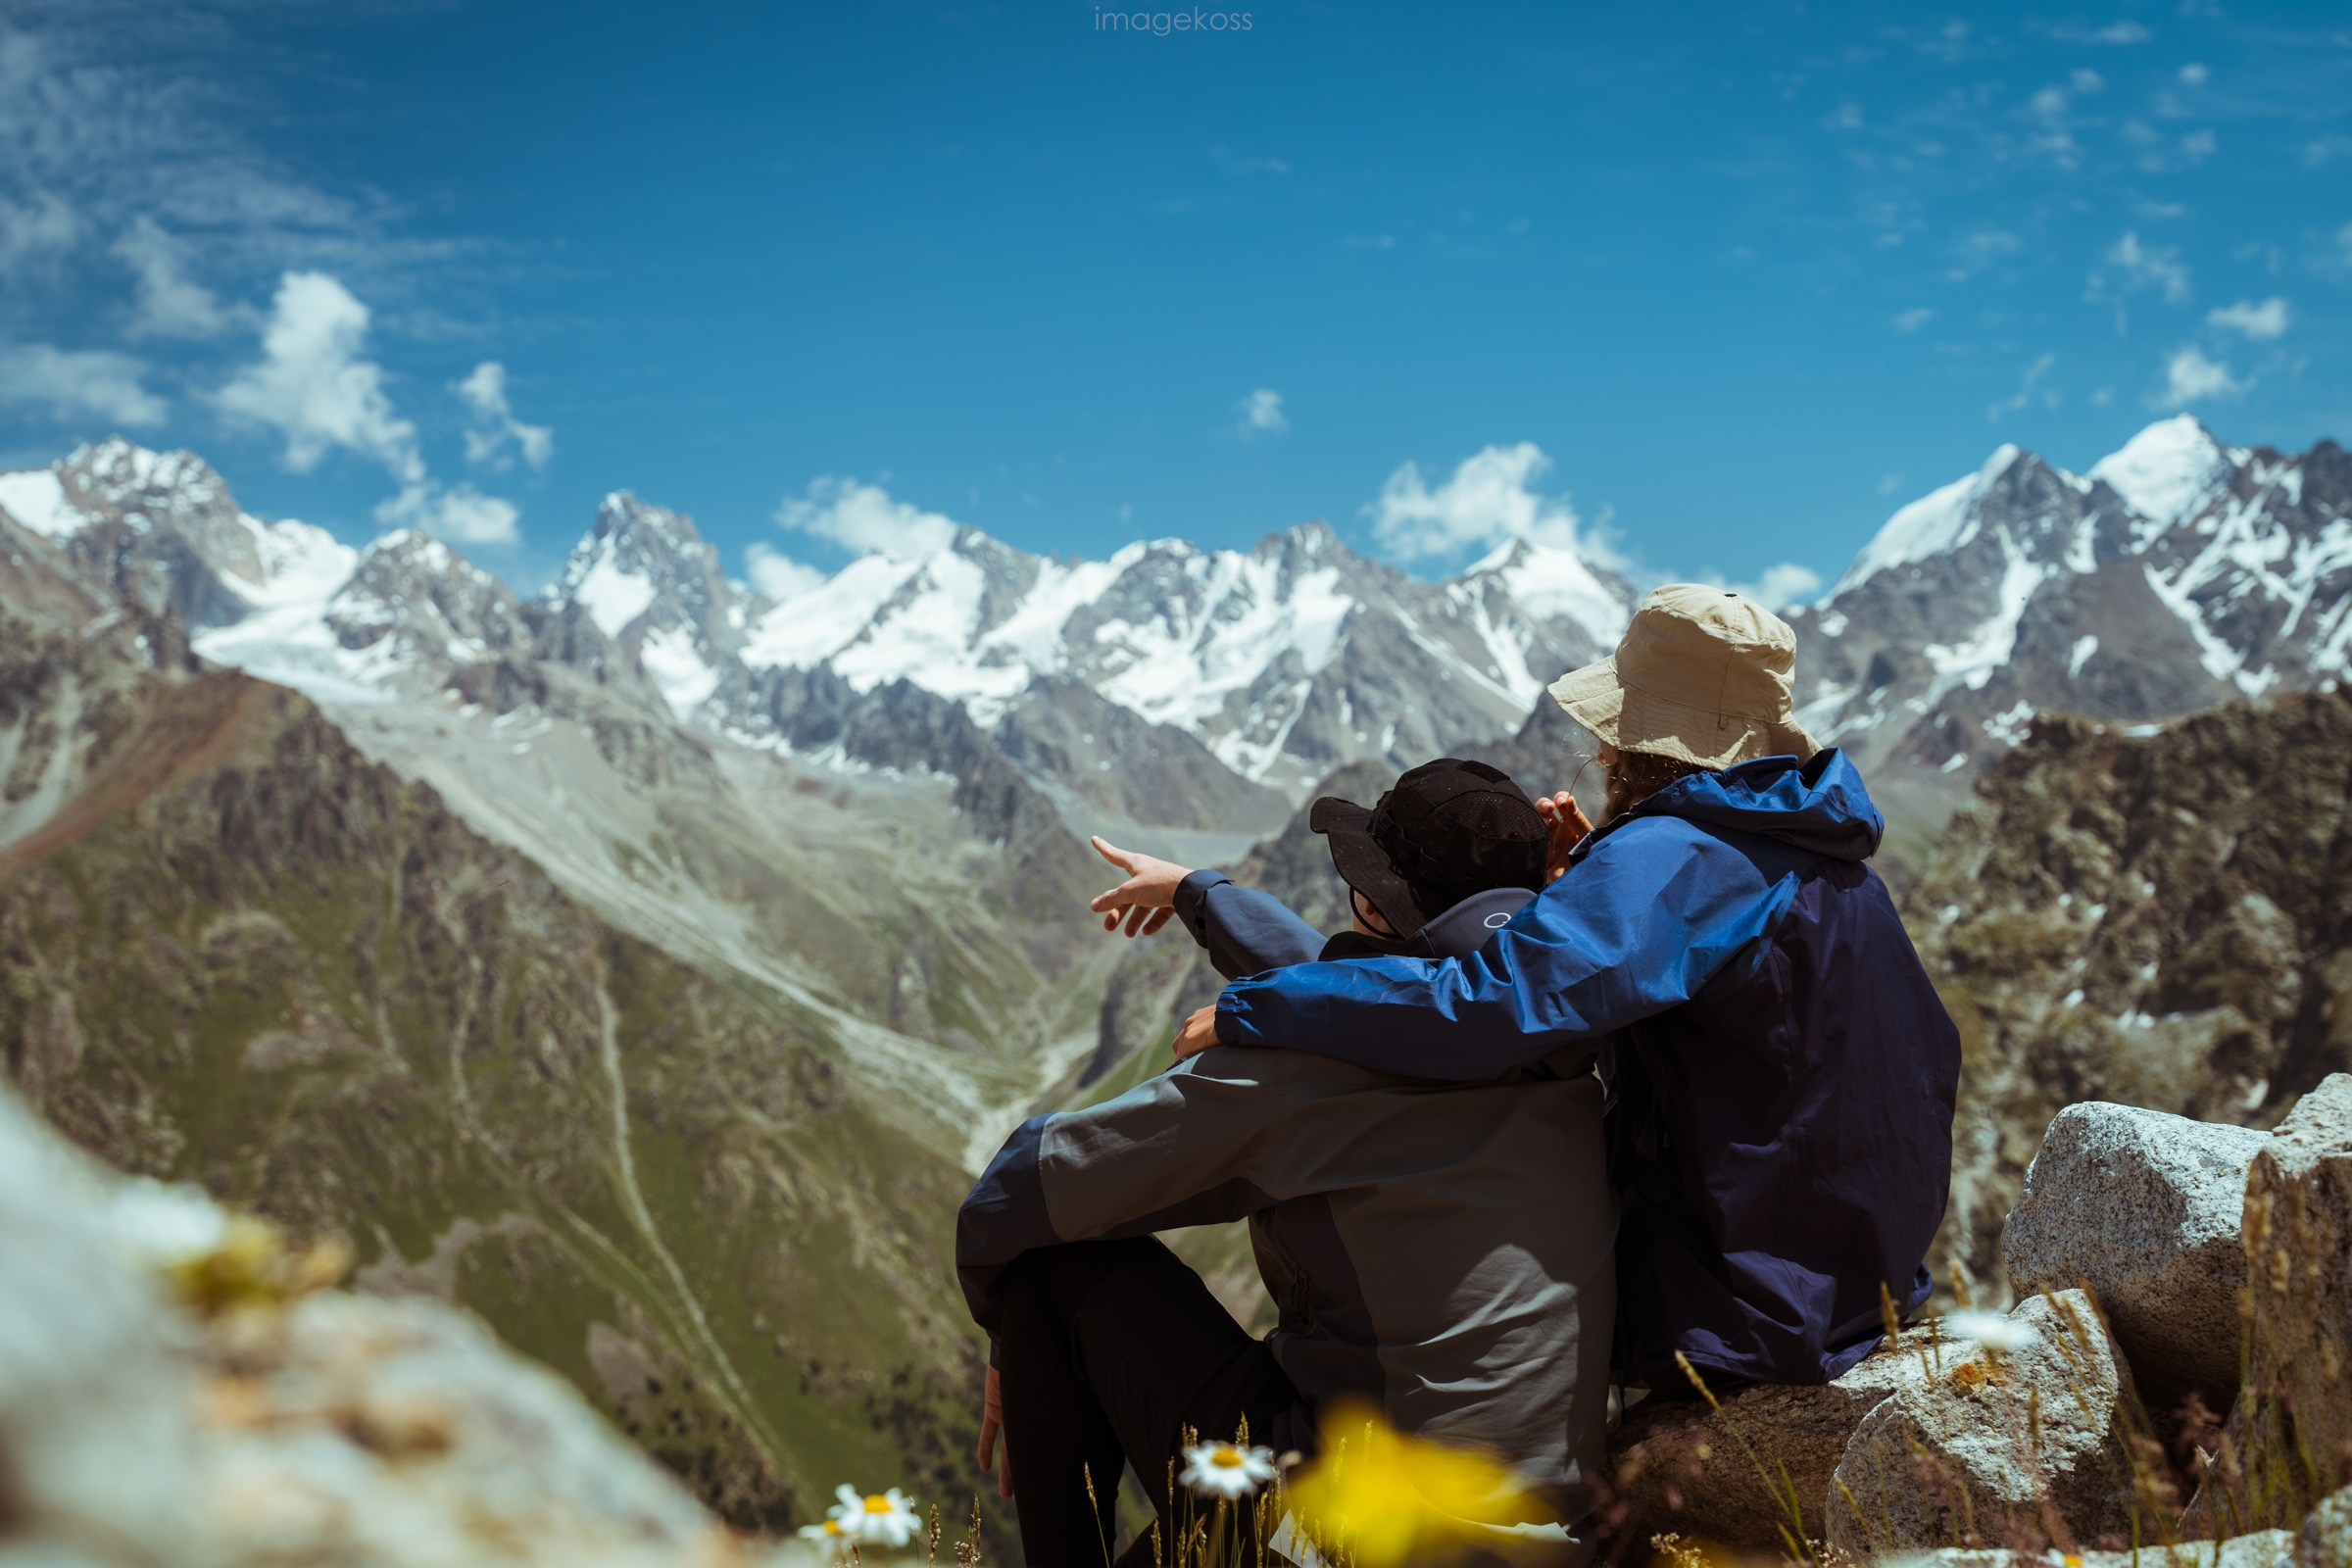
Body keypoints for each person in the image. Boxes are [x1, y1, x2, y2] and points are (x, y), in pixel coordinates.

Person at [1172, 584, 1962, 1394]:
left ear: (1628, 743)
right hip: (1856, 1290)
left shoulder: (1676, 855)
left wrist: (1258, 1006)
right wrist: (1589, 894)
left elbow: (1478, 1011)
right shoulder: (1819, 852)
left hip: (1741, 1311)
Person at [956, 760, 1616, 1566]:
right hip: (1553, 1543)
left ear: (1373, 904)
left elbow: (1024, 1186)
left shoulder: (1308, 1081)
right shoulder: (1571, 1044)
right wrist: (1198, 894)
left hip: (1360, 1534)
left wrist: (1007, 1340)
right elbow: (1372, 987)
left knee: (1039, 1260)